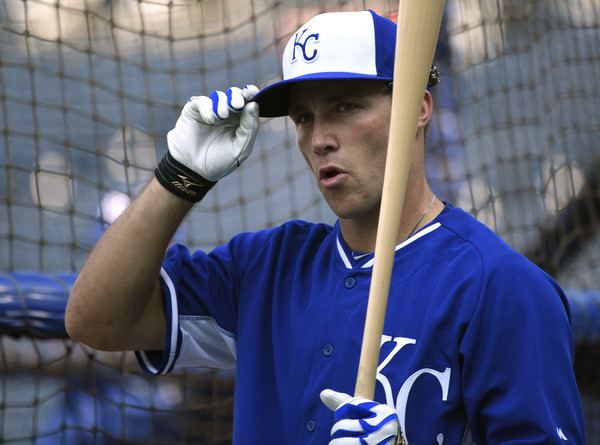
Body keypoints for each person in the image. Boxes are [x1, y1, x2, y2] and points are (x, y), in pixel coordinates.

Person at [65, 9, 585, 445]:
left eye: (344, 106)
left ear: (419, 109)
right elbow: (97, 321)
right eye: (304, 117)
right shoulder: (268, 267)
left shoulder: (504, 288)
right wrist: (178, 177)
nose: (319, 139)